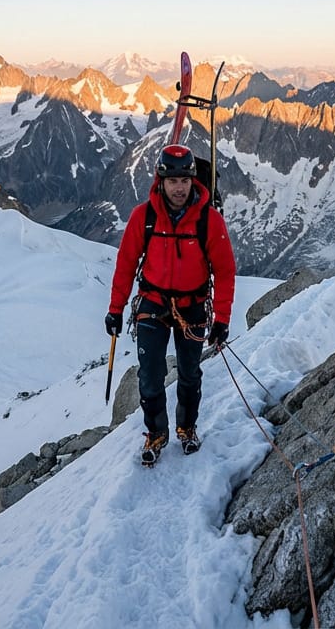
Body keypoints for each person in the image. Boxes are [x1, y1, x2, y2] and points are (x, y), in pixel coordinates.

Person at [105, 144, 236, 465]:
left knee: (190, 373)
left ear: (194, 180)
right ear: (160, 181)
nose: (179, 188)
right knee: (150, 375)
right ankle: (156, 432)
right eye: (173, 181)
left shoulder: (209, 220)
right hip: (152, 303)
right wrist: (115, 309)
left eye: (185, 181)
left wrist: (221, 320)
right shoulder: (144, 217)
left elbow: (225, 270)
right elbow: (125, 263)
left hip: (193, 307)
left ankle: (186, 428)